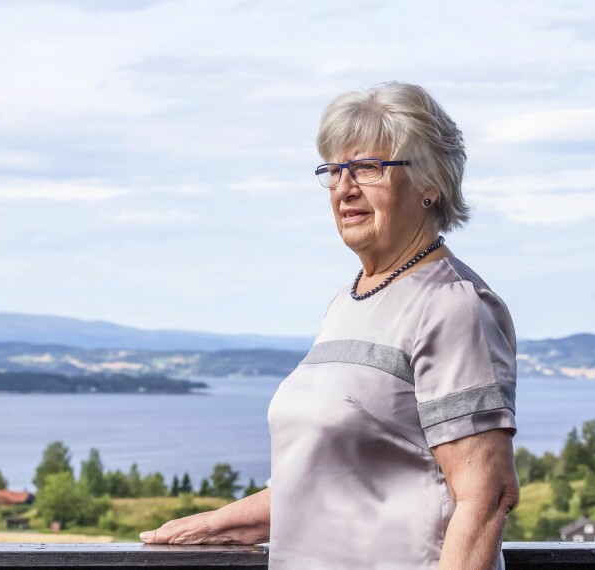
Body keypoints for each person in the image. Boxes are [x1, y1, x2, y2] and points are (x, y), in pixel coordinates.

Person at [140, 82, 519, 570]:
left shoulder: (452, 305)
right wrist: (219, 523)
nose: (344, 187)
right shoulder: (349, 301)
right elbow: (328, 483)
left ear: (431, 184)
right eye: (334, 170)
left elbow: (484, 499)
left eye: (368, 168)